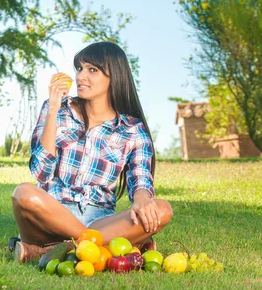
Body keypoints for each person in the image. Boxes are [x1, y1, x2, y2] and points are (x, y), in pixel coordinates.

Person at [11, 41, 173, 262]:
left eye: (92, 70)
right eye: (79, 68)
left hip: (99, 219)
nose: (80, 77)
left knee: (162, 209)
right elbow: (41, 173)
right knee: (23, 193)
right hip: (50, 215)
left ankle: (49, 251)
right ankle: (107, 247)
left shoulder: (131, 129)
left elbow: (141, 179)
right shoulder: (59, 110)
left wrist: (143, 200)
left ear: (113, 76)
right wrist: (52, 111)